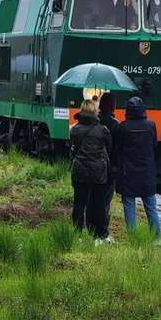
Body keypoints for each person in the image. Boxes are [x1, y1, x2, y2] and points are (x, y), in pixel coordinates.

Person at [116, 96, 161, 238]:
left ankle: (133, 237)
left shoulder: (123, 126)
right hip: (147, 172)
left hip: (128, 172)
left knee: (129, 206)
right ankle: (156, 237)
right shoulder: (151, 125)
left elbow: (118, 148)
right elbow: (154, 145)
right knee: (151, 207)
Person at [70, 99, 111, 239]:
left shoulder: (74, 129)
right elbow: (109, 147)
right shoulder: (102, 130)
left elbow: (74, 149)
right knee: (98, 204)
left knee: (79, 203)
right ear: (95, 111)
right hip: (98, 172)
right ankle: (98, 234)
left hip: (79, 171)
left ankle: (77, 234)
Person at [93, 93, 119, 241]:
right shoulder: (116, 124)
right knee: (105, 201)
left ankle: (91, 229)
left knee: (93, 199)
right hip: (110, 168)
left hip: (94, 166)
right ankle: (103, 232)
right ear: (113, 106)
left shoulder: (94, 122)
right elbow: (116, 148)